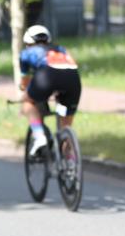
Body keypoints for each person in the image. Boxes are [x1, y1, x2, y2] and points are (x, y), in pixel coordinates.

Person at [18, 24, 82, 156]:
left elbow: (26, 81)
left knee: (27, 102)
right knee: (66, 125)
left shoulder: (26, 53)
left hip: (46, 76)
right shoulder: (61, 49)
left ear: (28, 43)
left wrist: (26, 92)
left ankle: (39, 136)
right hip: (73, 79)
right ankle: (69, 160)